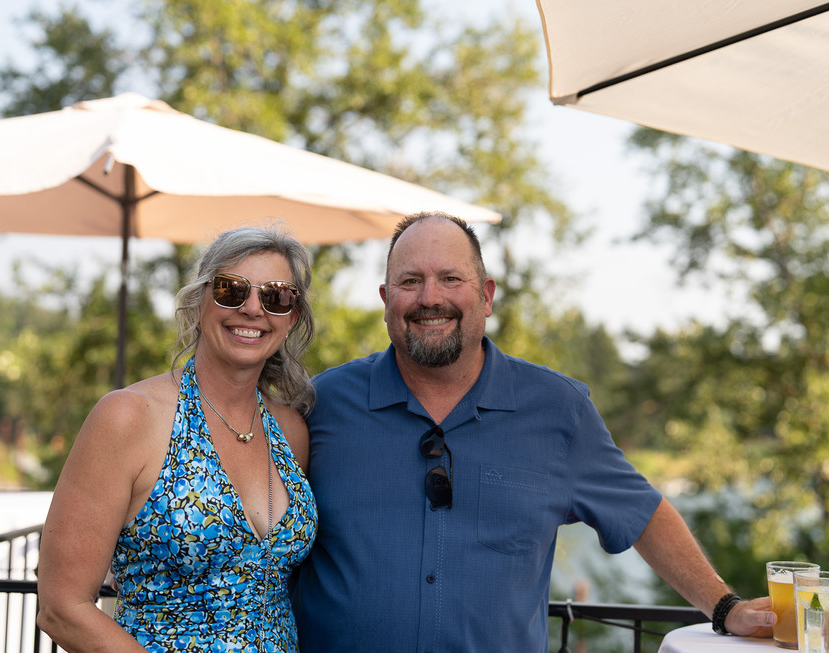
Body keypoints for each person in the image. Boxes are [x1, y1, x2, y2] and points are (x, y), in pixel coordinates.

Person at [291, 211, 775, 652]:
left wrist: (724, 607)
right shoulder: (322, 405)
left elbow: (643, 514)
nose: (430, 297)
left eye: (450, 278)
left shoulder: (559, 411)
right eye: (410, 280)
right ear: (385, 300)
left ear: (486, 296)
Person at [37, 225, 318, 652]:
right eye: (231, 290)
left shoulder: (291, 431)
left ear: (292, 317)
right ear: (199, 301)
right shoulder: (128, 418)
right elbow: (61, 606)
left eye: (277, 296)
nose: (253, 309)